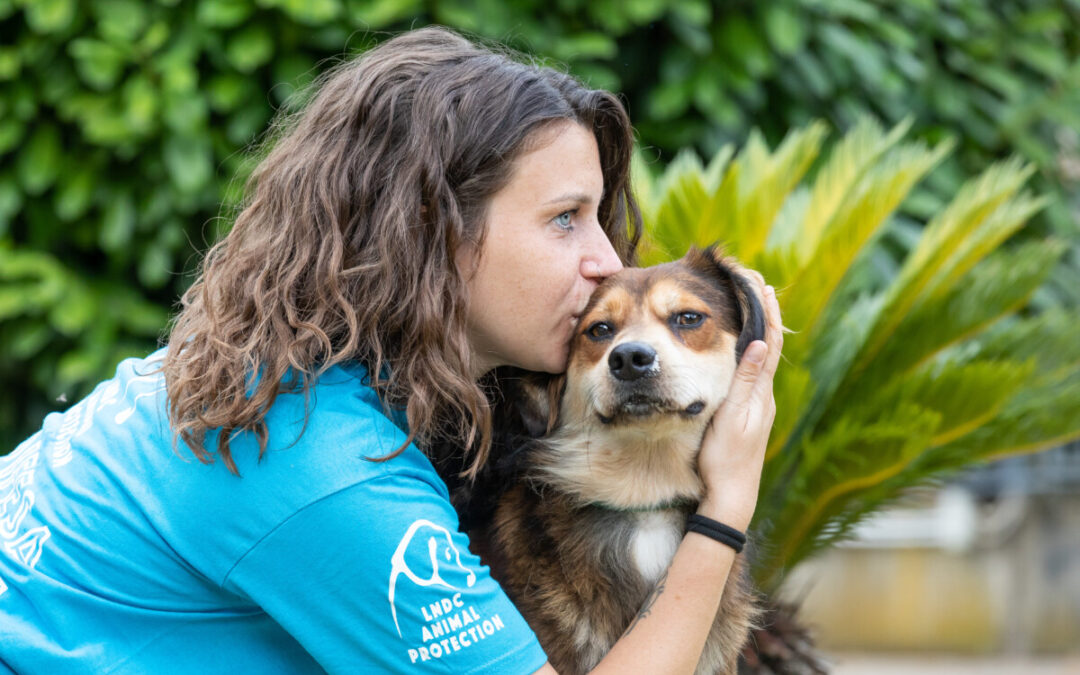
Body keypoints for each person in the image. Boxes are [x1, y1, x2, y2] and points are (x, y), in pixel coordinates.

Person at [0, 26, 782, 674]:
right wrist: (725, 507)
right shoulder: (323, 461)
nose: (607, 261)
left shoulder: (286, 371)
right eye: (565, 219)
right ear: (436, 230)